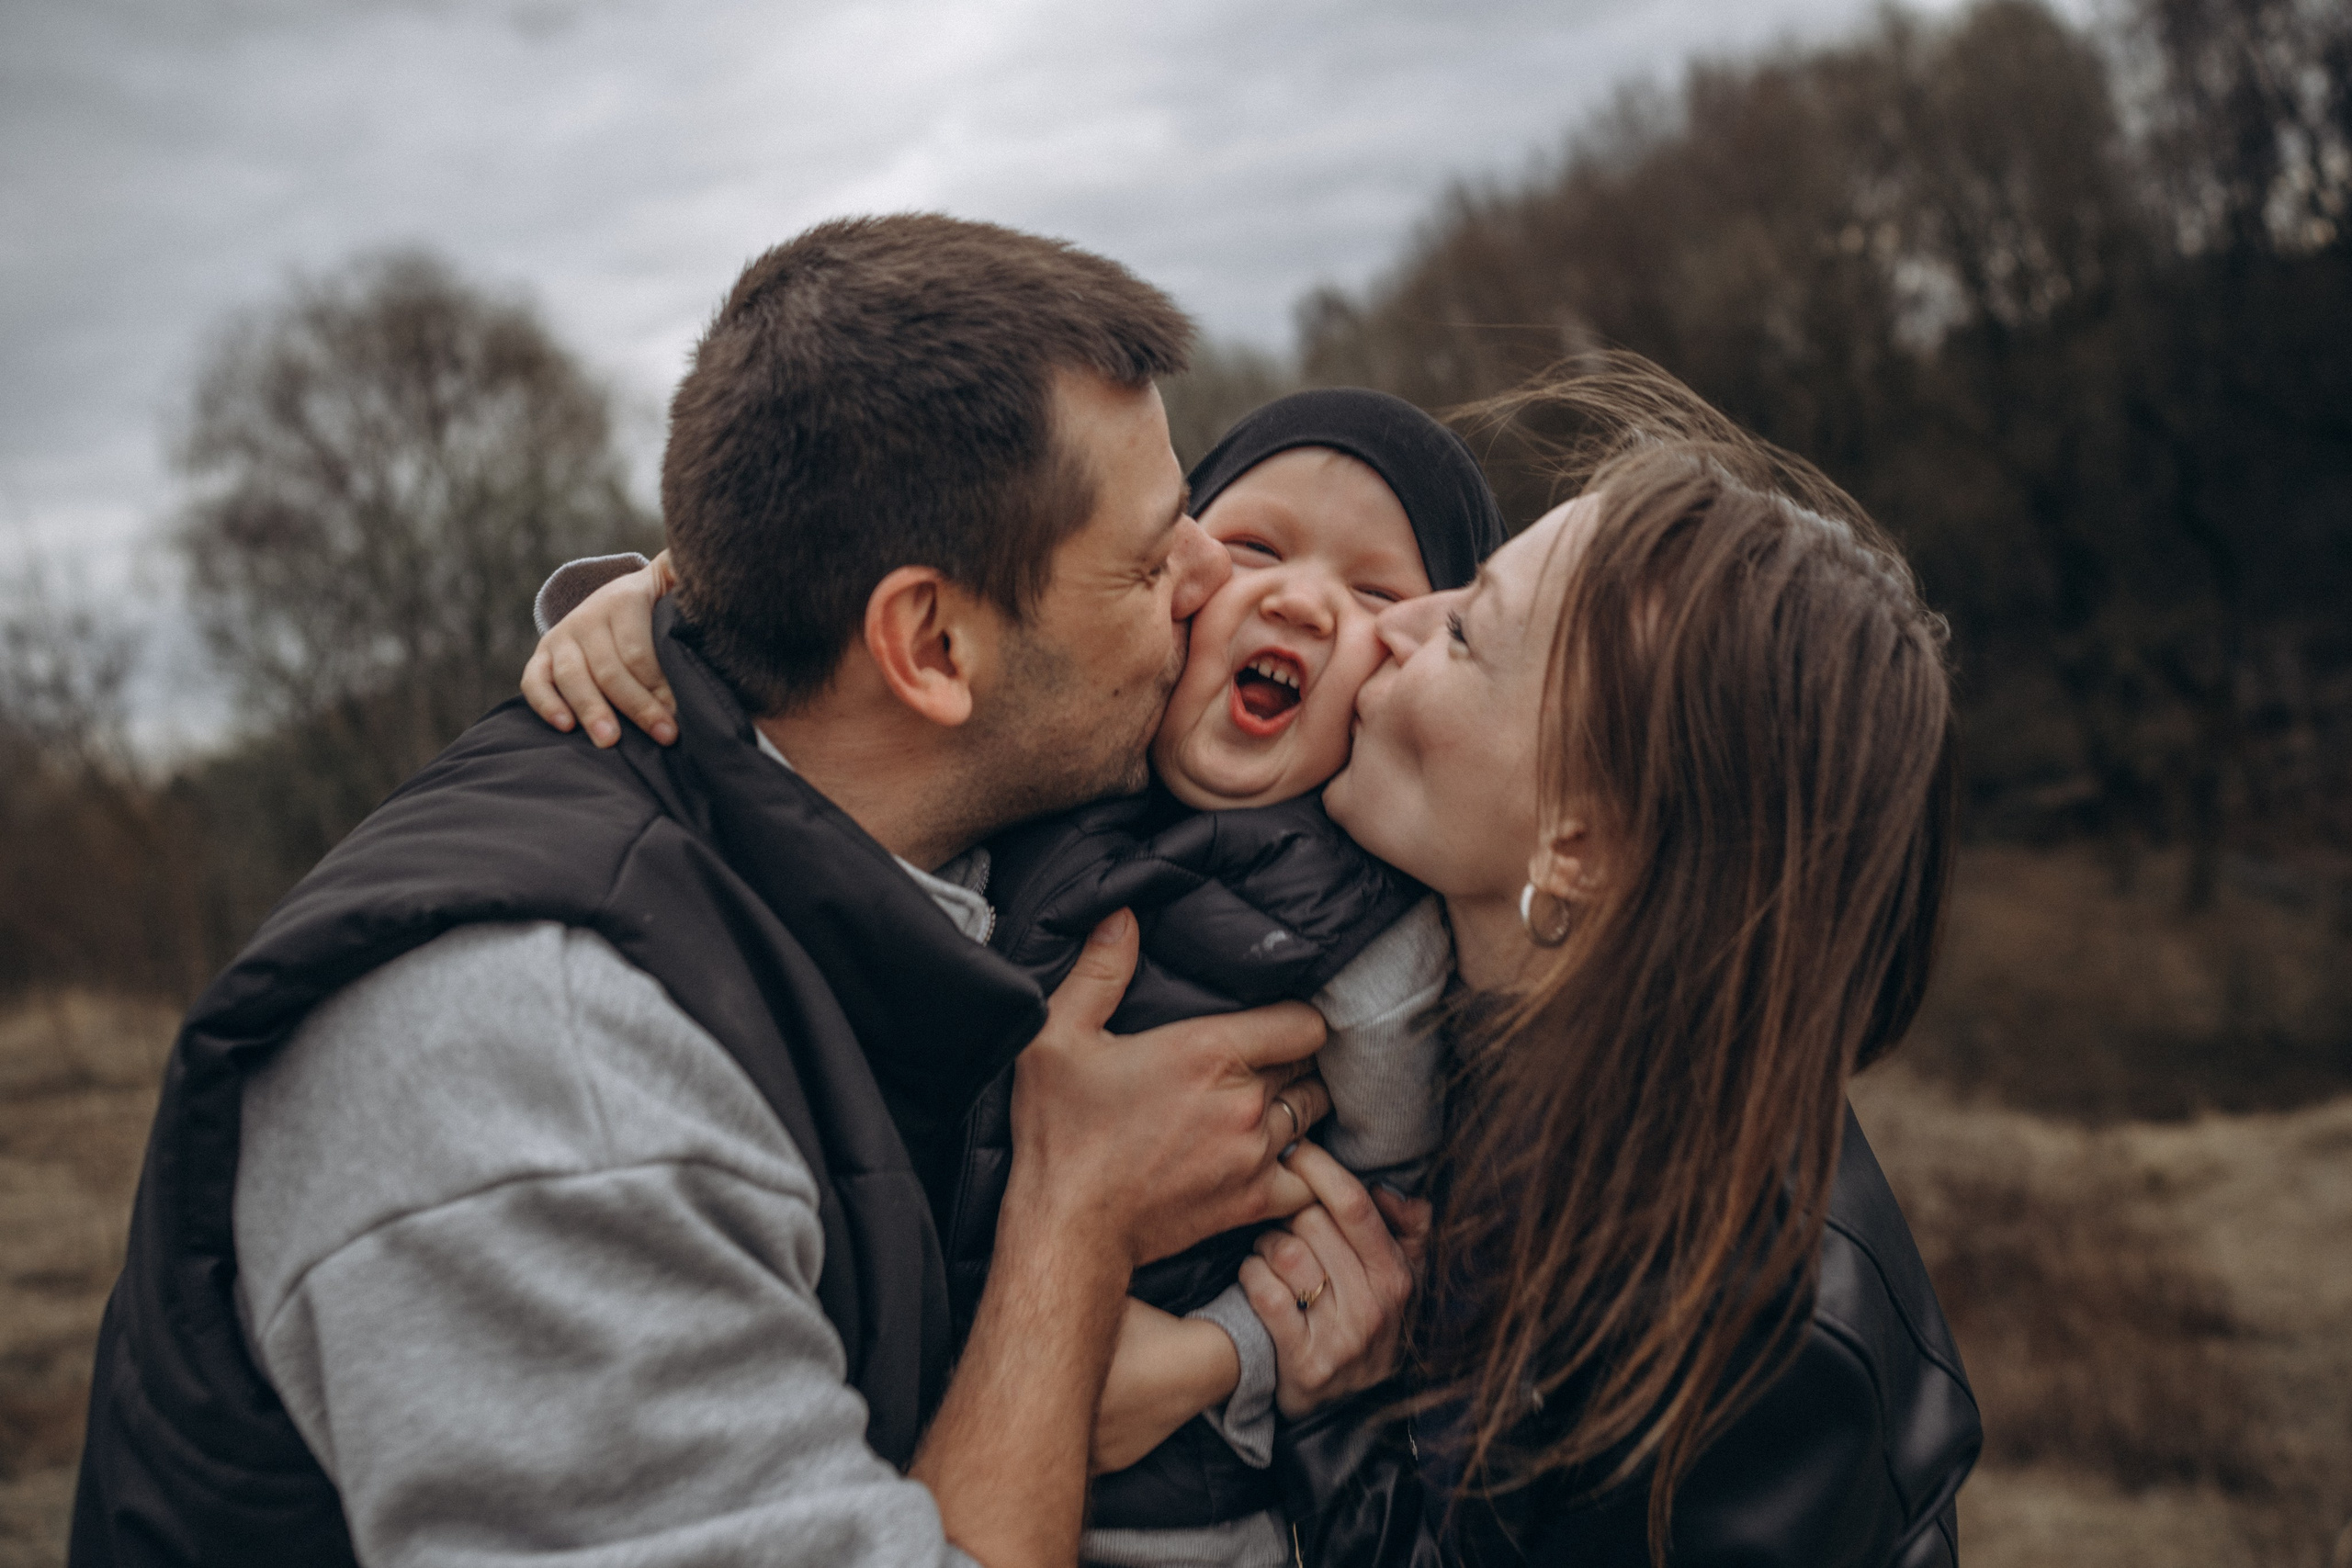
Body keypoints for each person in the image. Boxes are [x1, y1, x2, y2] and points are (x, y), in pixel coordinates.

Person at [66, 214, 1365, 1568]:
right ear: (928, 645)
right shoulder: (540, 1076)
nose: (1219, 579)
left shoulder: (911, 808)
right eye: (1154, 562)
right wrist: (1074, 1210)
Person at [524, 387, 1509, 1568]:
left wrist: (1209, 1359)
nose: (1297, 598)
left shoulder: (1379, 928)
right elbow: (842, 665)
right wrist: (646, 596)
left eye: (1373, 596)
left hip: (1191, 1503)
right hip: (898, 1393)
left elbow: (1382, 1231)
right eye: (1249, 548)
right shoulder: (1053, 756)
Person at [1246, 359, 1982, 1565]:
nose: (1394, 621)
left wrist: (1342, 1427)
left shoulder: (1749, 1344)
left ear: (1575, 842)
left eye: (1468, 630)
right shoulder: (1515, 1063)